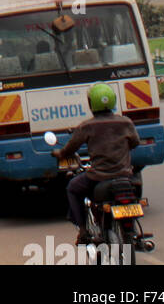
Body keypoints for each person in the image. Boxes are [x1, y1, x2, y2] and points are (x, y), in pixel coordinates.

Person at [53, 82, 140, 244]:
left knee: (72, 188)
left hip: (98, 176)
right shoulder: (126, 122)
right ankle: (131, 230)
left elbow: (69, 149)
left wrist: (59, 154)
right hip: (124, 175)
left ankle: (83, 230)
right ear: (113, 100)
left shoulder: (87, 126)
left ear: (91, 103)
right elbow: (135, 143)